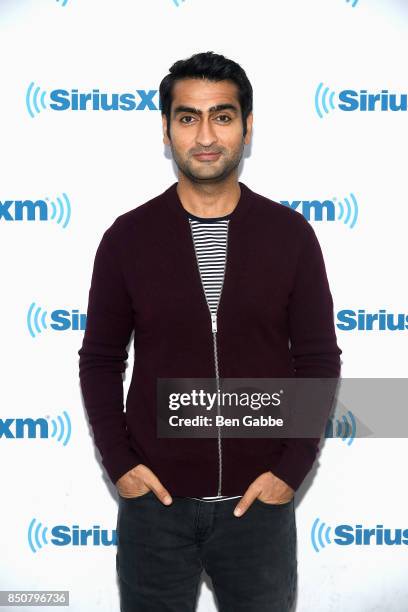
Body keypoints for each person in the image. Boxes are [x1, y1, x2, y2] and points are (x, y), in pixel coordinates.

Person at [78, 51, 342, 612]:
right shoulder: (127, 238)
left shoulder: (291, 236)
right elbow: (100, 359)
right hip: (156, 510)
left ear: (248, 128)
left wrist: (290, 470)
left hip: (258, 508)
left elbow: (317, 360)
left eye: (222, 116)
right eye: (187, 116)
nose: (204, 134)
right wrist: (121, 465)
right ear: (167, 129)